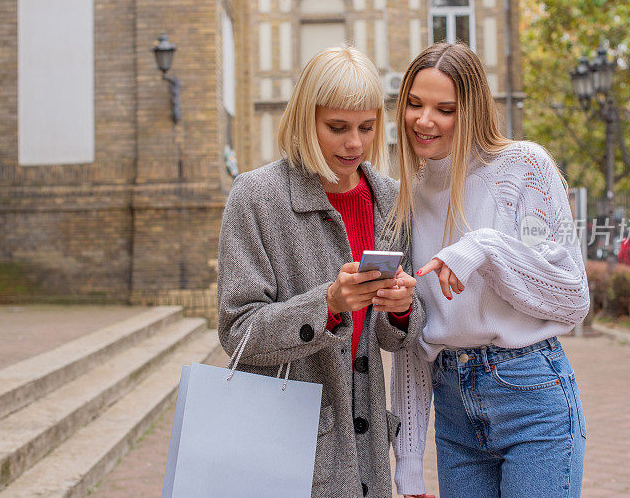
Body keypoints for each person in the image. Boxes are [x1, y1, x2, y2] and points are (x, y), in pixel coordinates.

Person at [217, 45, 424, 498]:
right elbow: (238, 332)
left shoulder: (390, 199)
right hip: (285, 444)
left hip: (367, 451)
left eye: (367, 127)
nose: (355, 143)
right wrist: (327, 306)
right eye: (337, 127)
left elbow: (395, 338)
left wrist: (403, 309)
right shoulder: (256, 196)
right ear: (305, 119)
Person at [388, 43, 591, 497]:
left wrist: (485, 248)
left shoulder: (523, 167)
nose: (425, 120)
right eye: (415, 104)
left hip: (530, 395)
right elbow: (414, 342)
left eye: (445, 109)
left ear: (473, 110)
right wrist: (408, 464)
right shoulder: (407, 195)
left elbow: (573, 297)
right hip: (453, 407)